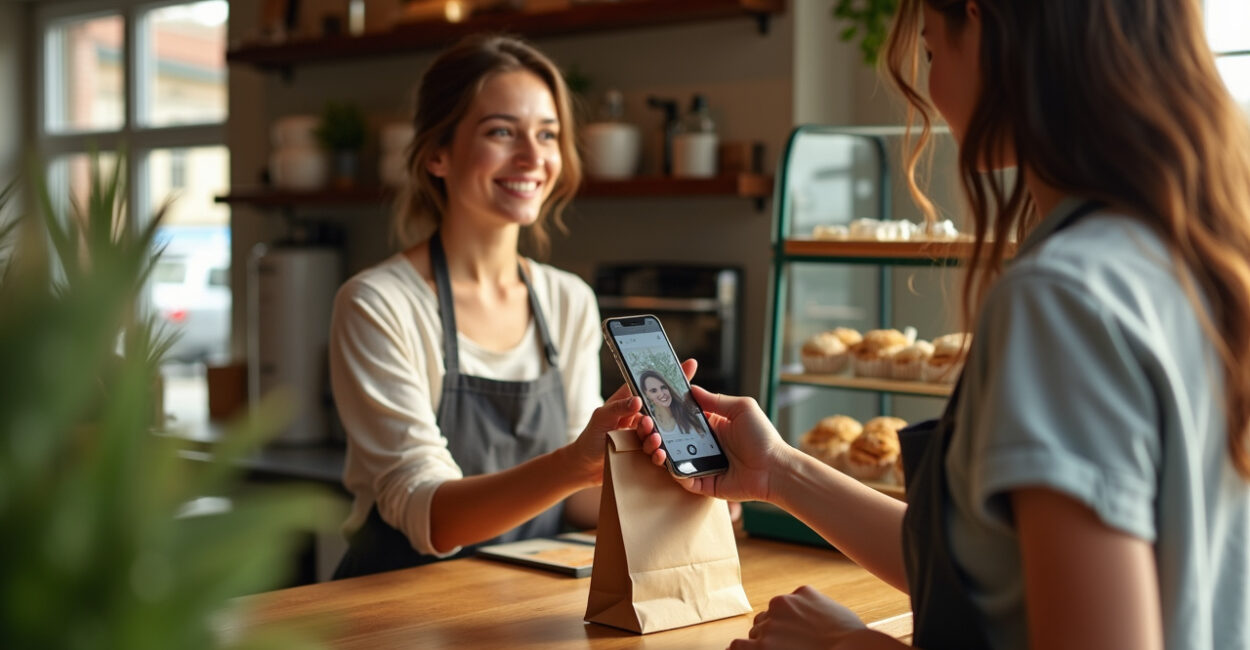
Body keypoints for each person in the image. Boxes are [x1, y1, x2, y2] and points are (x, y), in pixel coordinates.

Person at [638, 1, 1250, 648]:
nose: (930, 90)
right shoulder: (1200, 260)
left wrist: (848, 646)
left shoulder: (1063, 298)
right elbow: (992, 573)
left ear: (985, 26)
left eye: (930, 50)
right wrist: (780, 473)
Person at [328, 34, 648, 578]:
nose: (532, 157)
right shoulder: (379, 304)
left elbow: (575, 500)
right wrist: (573, 463)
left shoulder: (566, 299)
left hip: (522, 601)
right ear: (436, 153)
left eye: (547, 134)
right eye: (501, 131)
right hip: (396, 609)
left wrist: (680, 492)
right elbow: (430, 515)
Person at [638, 369, 707, 438]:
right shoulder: (650, 424)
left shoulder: (692, 414)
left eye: (663, 387)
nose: (661, 394)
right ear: (646, 395)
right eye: (654, 391)